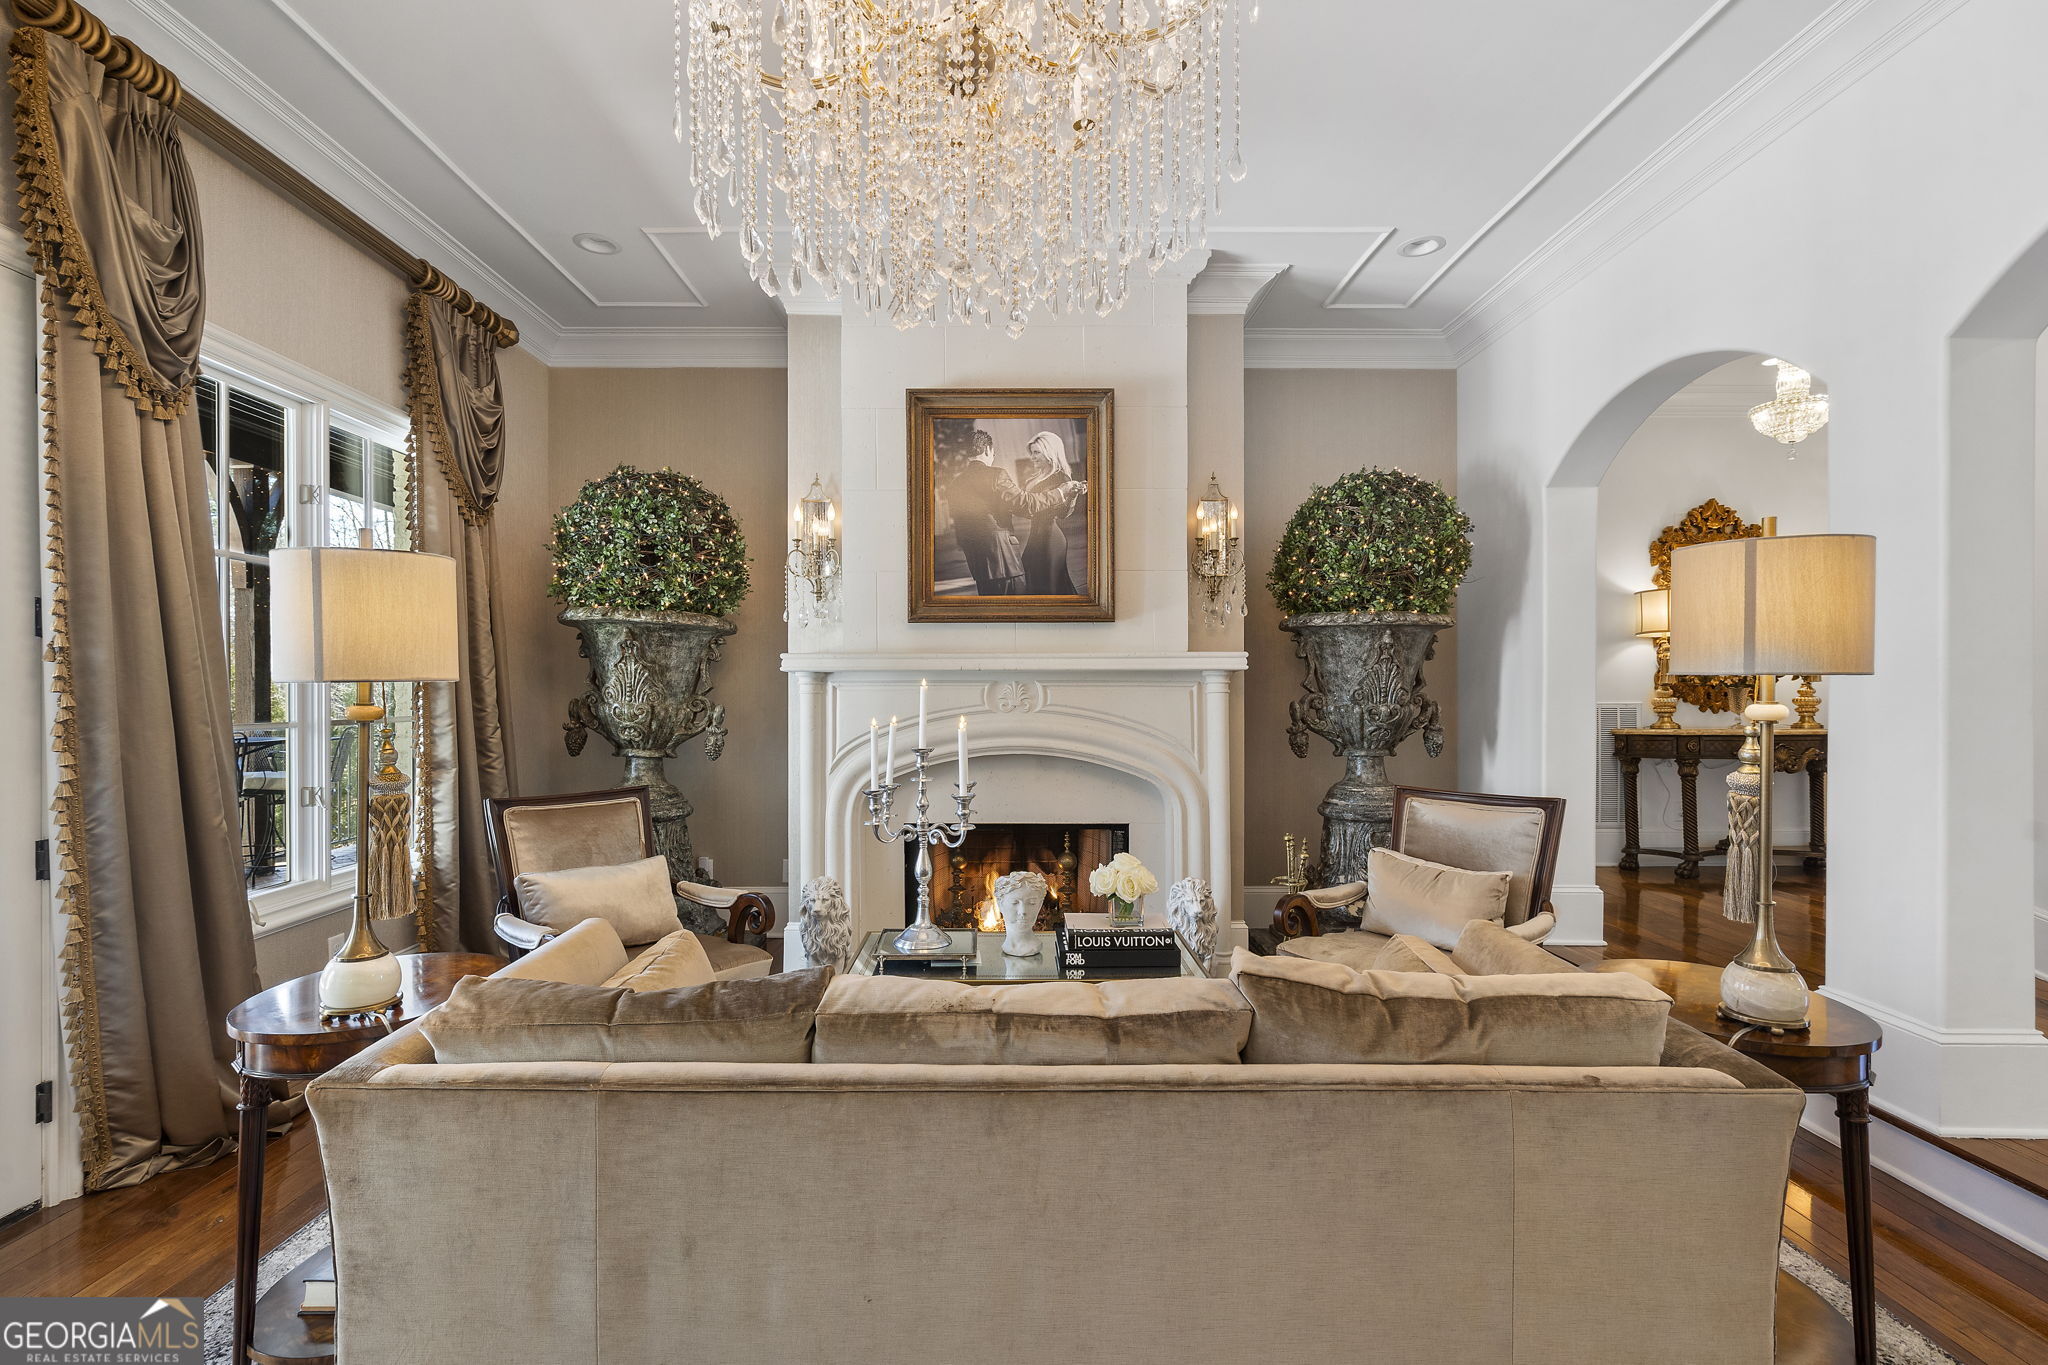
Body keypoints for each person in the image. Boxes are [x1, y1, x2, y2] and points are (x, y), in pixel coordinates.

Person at [941, 429, 1083, 595]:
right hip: (1003, 560)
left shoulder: (956, 483)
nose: (1033, 457)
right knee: (1016, 606)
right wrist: (1060, 492)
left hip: (979, 564)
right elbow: (1026, 505)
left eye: (1037, 452)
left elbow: (962, 523)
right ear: (987, 450)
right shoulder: (996, 475)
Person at [1019, 431, 1084, 595]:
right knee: (1034, 581)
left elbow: (1063, 514)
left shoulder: (1061, 478)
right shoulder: (1033, 478)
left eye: (1036, 452)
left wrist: (1073, 495)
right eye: (1031, 453)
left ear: (1049, 453)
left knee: (1051, 588)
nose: (1032, 457)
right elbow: (1028, 509)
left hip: (1051, 541)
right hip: (1034, 538)